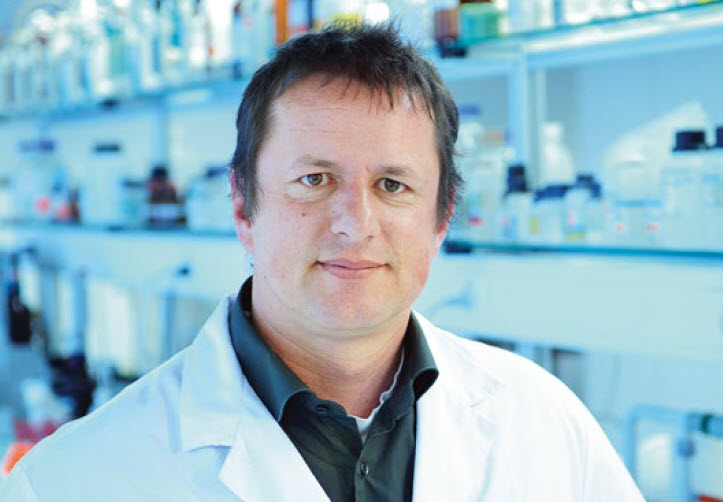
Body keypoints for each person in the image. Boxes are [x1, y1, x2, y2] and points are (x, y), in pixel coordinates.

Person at [0, 23, 644, 502]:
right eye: (314, 180)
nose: (355, 224)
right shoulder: (72, 480)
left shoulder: (544, 424)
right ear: (243, 206)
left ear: (442, 217)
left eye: (393, 185)